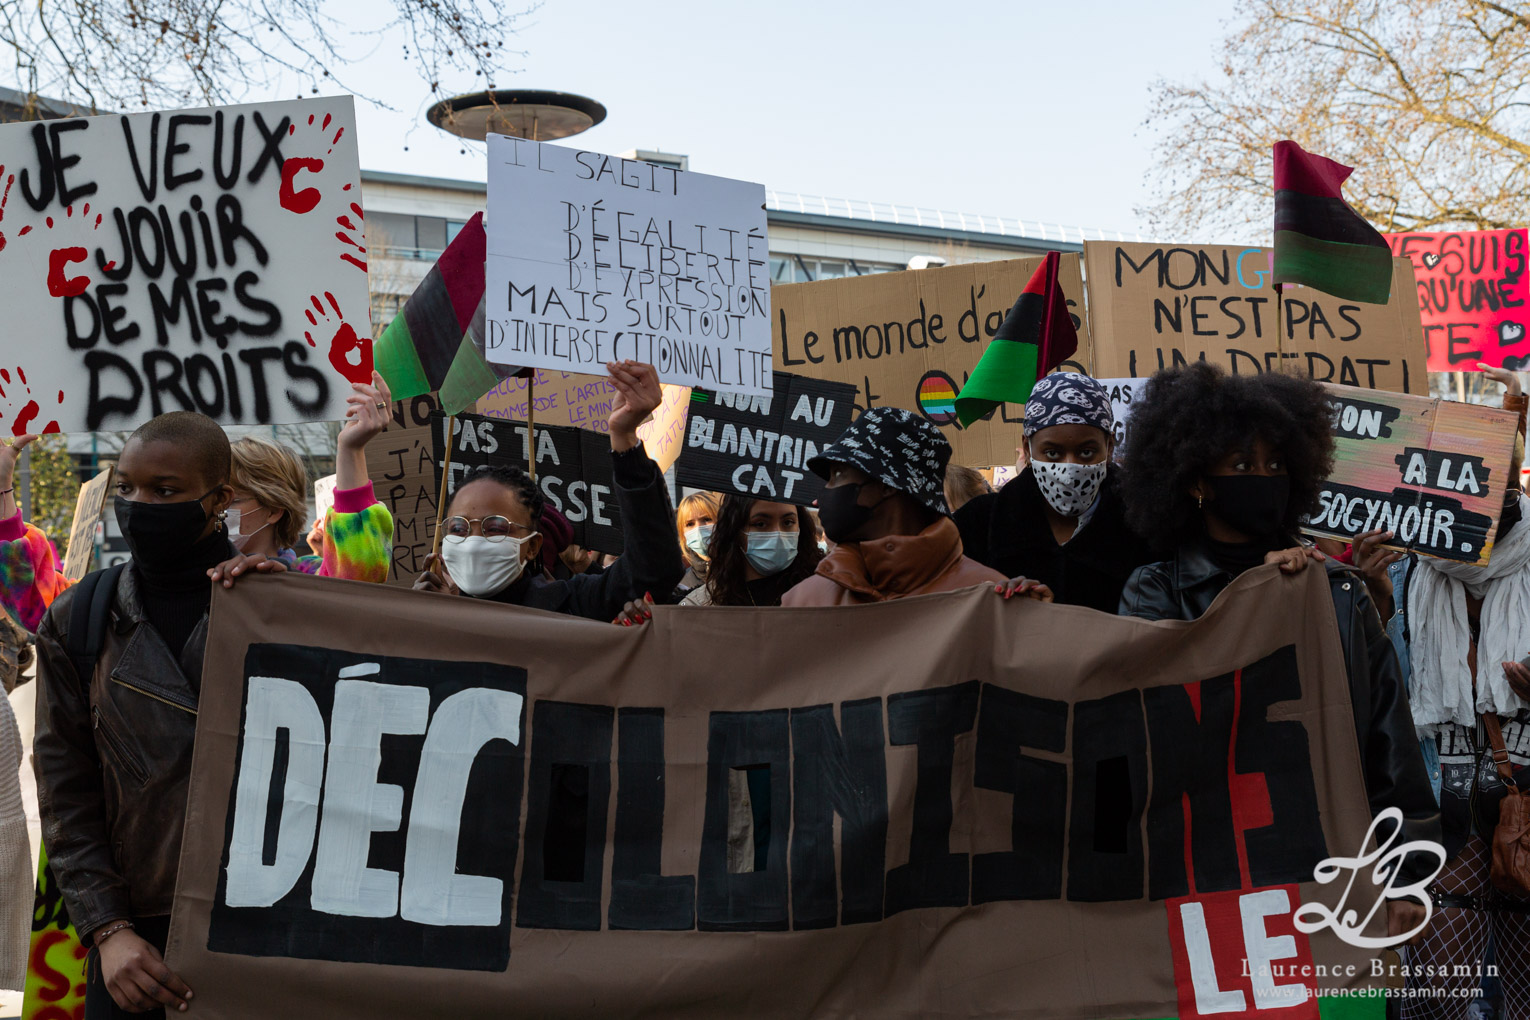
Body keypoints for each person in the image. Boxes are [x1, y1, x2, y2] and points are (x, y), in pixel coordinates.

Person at [1115, 363, 1442, 944]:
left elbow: (1388, 742)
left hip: (1331, 869)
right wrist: (1254, 602)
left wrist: (1405, 879)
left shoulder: (1338, 593)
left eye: (1275, 464)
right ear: (1196, 479)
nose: (1263, 477)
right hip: (1207, 868)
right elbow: (1146, 726)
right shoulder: (1154, 591)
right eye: (1242, 466)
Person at [34, 411, 238, 1017]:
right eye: (126, 488)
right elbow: (65, 794)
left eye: (166, 490)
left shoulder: (275, 605)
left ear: (218, 498)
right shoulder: (78, 619)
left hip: (262, 932)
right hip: (135, 950)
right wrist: (108, 930)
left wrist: (284, 604)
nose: (139, 504)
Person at [1373, 366, 1530, 1019]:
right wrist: (1370, 601)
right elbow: (1385, 696)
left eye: (1497, 472)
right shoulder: (1410, 569)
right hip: (1445, 821)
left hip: (1528, 812)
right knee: (1434, 1002)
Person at [414, 361, 684, 620]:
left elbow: (653, 569)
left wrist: (624, 438)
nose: (473, 543)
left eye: (495, 528)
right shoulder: (428, 615)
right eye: (458, 529)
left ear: (532, 546)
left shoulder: (572, 604)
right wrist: (417, 616)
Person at [955, 372, 1154, 612]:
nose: (1070, 467)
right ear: (1028, 450)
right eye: (1052, 453)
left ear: (1109, 447)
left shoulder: (1148, 525)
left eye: (1086, 452)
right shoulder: (977, 524)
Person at [782, 407, 1005, 606]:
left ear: (887, 485)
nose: (820, 497)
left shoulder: (988, 598)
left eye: (838, 475)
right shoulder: (804, 602)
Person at [207, 372, 394, 587]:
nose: (219, 511)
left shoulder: (305, 577)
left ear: (273, 511)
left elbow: (357, 579)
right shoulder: (201, 573)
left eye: (233, 501)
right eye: (216, 499)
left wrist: (350, 449)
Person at [678, 496, 823, 607]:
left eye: (788, 522)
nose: (778, 533)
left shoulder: (825, 595)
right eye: (760, 524)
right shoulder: (702, 605)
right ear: (735, 531)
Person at [675, 491, 721, 594]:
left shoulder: (745, 573)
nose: (699, 528)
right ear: (683, 533)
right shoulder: (681, 584)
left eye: (707, 519)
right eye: (690, 524)